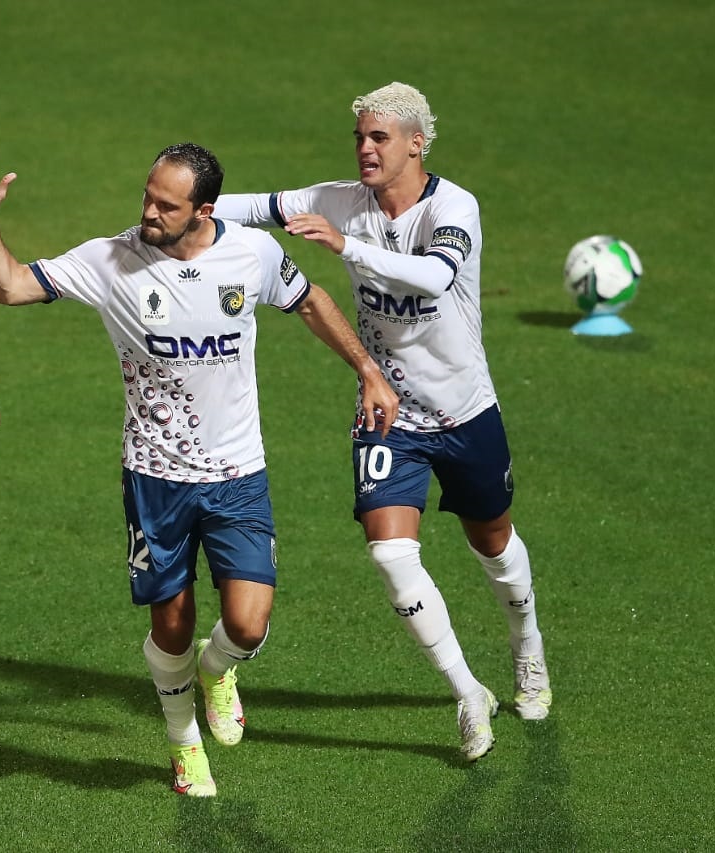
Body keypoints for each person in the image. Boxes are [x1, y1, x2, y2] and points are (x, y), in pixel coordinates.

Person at [0, 142, 398, 796]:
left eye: (167, 204)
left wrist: (368, 371)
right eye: (147, 196)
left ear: (204, 209)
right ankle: (183, 743)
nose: (149, 211)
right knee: (172, 626)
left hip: (238, 473)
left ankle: (218, 671)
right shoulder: (114, 258)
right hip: (155, 480)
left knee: (246, 624)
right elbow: (10, 285)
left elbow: (307, 301)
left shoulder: (252, 254)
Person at [215, 81, 552, 762]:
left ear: (415, 143)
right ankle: (467, 692)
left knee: (493, 546)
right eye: (360, 137)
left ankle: (528, 647)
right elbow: (252, 205)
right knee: (391, 553)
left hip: (465, 409)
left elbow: (433, 275)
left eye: (380, 138)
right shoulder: (338, 199)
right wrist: (177, 204)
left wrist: (346, 247)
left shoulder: (453, 208)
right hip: (389, 410)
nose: (366, 149)